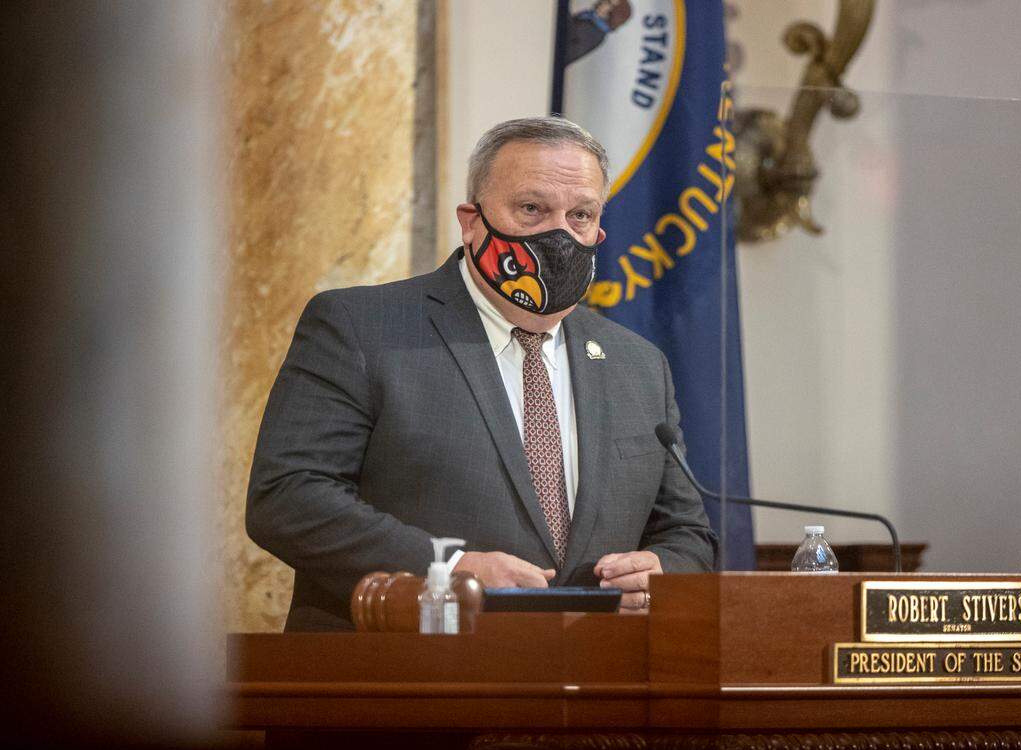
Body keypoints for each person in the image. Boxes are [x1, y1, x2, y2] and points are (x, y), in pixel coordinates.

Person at [246, 116, 716, 631]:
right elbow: (287, 497)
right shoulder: (362, 327)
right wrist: (448, 570)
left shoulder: (638, 364)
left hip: (593, 667)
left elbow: (688, 533)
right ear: (471, 221)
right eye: (532, 209)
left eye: (580, 215)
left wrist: (662, 571)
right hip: (406, 662)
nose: (560, 234)